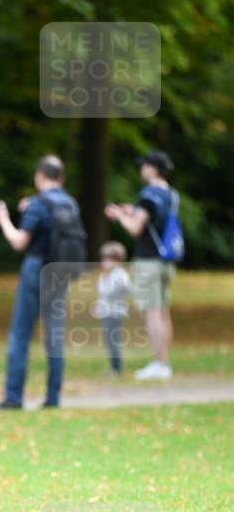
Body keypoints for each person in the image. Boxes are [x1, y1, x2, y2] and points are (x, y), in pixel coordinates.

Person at [0, 155, 78, 409]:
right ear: (62, 178)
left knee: (20, 334)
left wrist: (4, 220)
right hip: (60, 271)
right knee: (55, 335)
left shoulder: (39, 203)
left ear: (39, 176)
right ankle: (53, 397)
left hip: (36, 268)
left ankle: (14, 397)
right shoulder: (70, 204)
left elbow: (20, 242)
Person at [105, 150, 177, 380]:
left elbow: (136, 229)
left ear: (152, 168)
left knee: (151, 311)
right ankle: (164, 361)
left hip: (148, 260)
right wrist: (131, 210)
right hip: (167, 260)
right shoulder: (170, 194)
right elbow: (155, 219)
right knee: (164, 312)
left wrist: (121, 216)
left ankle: (160, 364)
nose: (141, 169)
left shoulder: (148, 194)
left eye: (143, 165)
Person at [92, 241, 131, 375]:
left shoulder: (120, 275)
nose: (104, 262)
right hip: (106, 312)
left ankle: (117, 368)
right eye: (103, 259)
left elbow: (124, 289)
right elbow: (102, 295)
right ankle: (113, 367)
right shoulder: (105, 276)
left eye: (108, 259)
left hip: (114, 313)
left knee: (113, 341)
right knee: (109, 341)